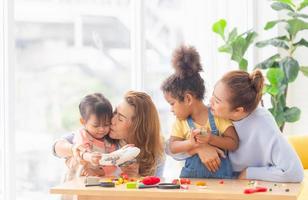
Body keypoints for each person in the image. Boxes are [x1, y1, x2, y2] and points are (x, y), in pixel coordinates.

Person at [208, 69, 304, 182]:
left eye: (217, 101)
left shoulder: (263, 123)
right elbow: (182, 142)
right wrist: (200, 148)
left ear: (238, 110)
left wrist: (250, 173)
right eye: (213, 95)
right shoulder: (212, 111)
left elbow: (294, 172)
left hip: (245, 187)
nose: (210, 101)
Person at [161, 45, 239, 178]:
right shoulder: (181, 122)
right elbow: (172, 146)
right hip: (191, 184)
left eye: (172, 104)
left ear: (188, 98)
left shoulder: (217, 116)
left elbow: (233, 143)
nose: (171, 110)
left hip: (222, 184)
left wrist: (211, 138)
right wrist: (191, 143)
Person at [53, 91, 164, 177]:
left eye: (120, 118)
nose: (111, 120)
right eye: (114, 112)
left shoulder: (155, 151)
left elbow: (153, 190)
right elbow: (56, 147)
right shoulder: (99, 135)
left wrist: (137, 177)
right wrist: (77, 151)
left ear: (137, 127)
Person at [64, 93, 119, 181]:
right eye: (96, 125)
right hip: (76, 178)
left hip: (97, 180)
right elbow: (82, 152)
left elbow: (113, 165)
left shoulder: (109, 141)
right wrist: (90, 157)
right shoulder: (82, 134)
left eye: (106, 124)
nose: (101, 129)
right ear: (83, 121)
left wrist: (97, 172)